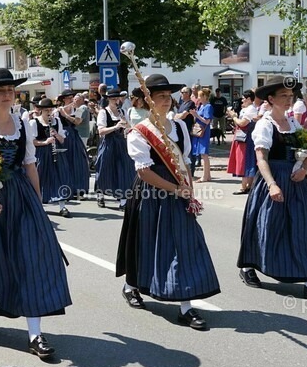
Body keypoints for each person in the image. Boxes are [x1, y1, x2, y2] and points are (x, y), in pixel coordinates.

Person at [0, 68, 71, 358]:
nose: (7, 94)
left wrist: (38, 202)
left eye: (10, 90)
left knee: (32, 259)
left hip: (20, 196)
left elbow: (30, 163)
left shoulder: (22, 122)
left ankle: (35, 333)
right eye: (0, 90)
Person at [116, 74, 220, 329]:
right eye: (159, 96)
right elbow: (144, 172)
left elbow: (184, 163)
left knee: (183, 244)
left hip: (178, 190)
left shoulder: (180, 127)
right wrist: (175, 188)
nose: (166, 100)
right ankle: (131, 286)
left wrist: (190, 192)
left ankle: (186, 306)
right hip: (151, 193)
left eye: (168, 96)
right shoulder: (138, 133)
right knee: (146, 242)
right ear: (146, 101)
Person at [238, 81, 307, 298]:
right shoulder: (265, 125)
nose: (289, 99)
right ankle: (248, 266)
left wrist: (305, 168)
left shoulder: (293, 123)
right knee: (266, 227)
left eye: (290, 95)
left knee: (304, 228)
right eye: (283, 95)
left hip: (295, 181)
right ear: (271, 99)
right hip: (273, 179)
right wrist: (271, 184)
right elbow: (261, 158)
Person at [94, 90, 135, 209]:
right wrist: (116, 126)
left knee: (123, 170)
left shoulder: (122, 111)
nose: (116, 101)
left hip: (121, 143)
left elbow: (128, 127)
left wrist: (126, 126)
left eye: (117, 99)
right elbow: (101, 131)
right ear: (108, 100)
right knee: (104, 169)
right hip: (108, 143)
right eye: (113, 99)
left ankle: (123, 201)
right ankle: (100, 194)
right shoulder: (103, 112)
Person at [30, 97, 70, 216]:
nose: (49, 112)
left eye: (50, 110)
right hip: (41, 154)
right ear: (41, 110)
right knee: (41, 178)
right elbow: (32, 141)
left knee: (60, 177)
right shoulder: (34, 122)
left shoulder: (56, 121)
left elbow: (62, 140)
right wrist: (45, 142)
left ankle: (62, 206)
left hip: (56, 153)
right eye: (46, 110)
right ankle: (38, 204)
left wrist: (56, 134)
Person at [55, 90, 91, 201]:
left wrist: (65, 114)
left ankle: (79, 190)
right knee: (65, 162)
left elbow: (77, 122)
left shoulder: (78, 109)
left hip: (74, 136)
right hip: (63, 136)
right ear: (64, 99)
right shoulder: (57, 111)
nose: (72, 100)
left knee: (78, 162)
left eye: (72, 97)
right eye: (69, 98)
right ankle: (66, 190)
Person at [227, 90, 260, 194]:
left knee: (244, 161)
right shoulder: (248, 109)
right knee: (246, 161)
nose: (242, 100)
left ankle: (244, 186)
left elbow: (242, 123)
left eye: (244, 98)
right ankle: (248, 185)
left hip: (246, 138)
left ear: (249, 99)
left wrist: (233, 116)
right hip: (244, 137)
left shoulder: (250, 109)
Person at [190, 87, 214, 181]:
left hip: (204, 131)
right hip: (200, 131)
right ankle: (207, 175)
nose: (198, 98)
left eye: (200, 96)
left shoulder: (208, 106)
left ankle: (205, 176)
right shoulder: (201, 106)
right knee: (203, 154)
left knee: (204, 154)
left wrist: (196, 115)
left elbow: (207, 121)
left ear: (204, 96)